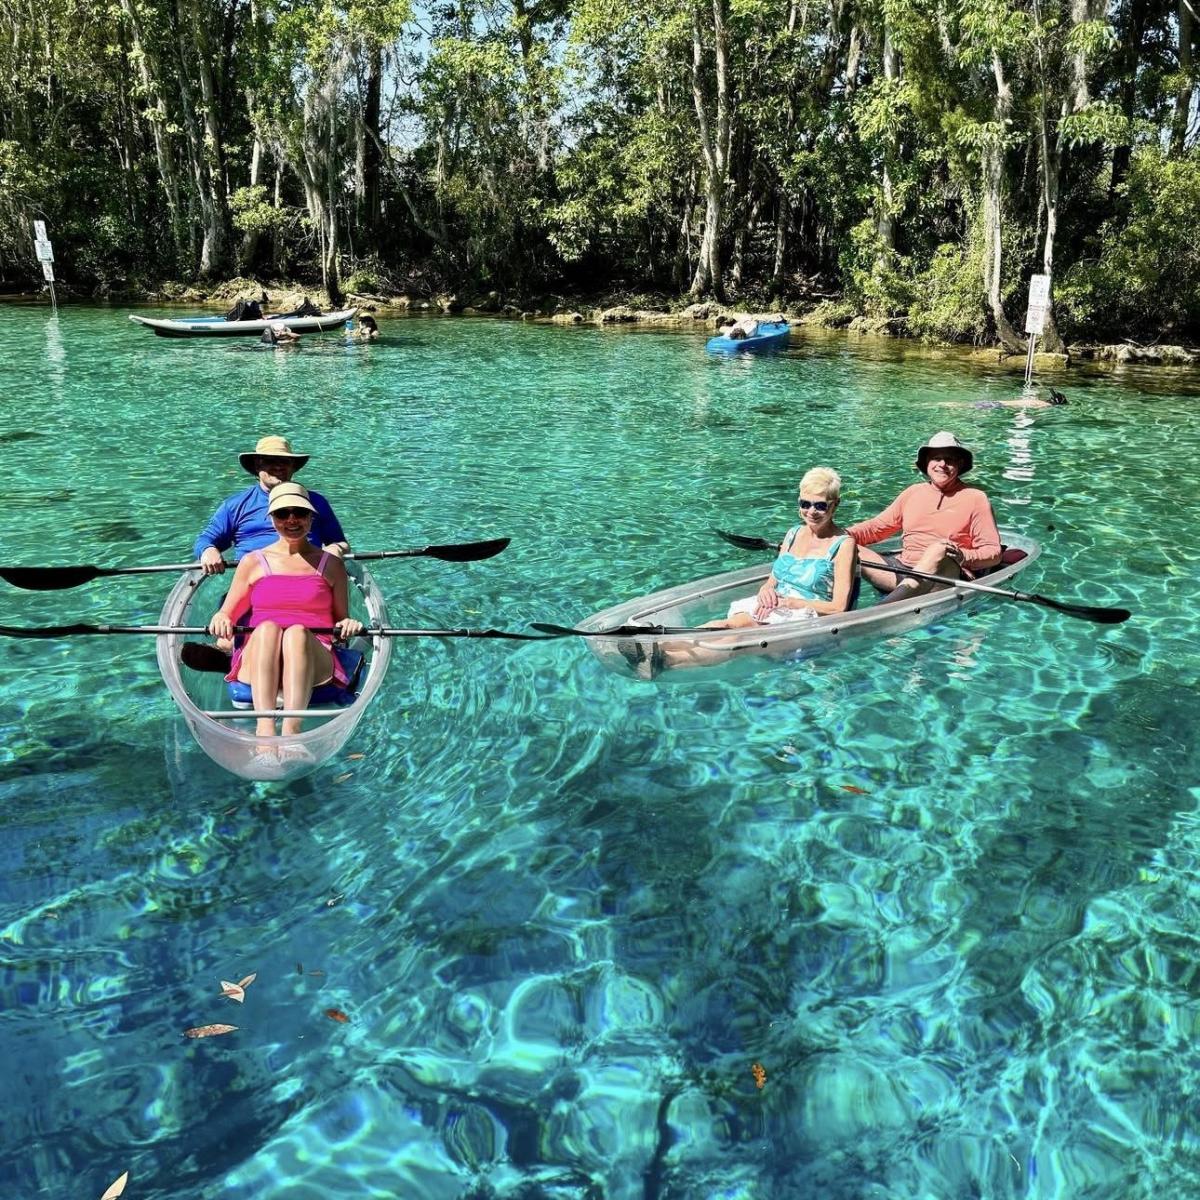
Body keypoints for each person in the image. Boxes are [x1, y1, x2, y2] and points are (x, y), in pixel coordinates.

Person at [621, 467, 858, 678]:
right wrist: (766, 590)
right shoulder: (793, 533)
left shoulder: (843, 544)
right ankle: (656, 646)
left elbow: (839, 607)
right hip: (776, 608)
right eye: (805, 504)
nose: (811, 512)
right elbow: (775, 579)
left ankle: (662, 662)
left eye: (820, 506)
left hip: (805, 621)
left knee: (737, 640)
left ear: (835, 504)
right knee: (722, 625)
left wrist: (791, 603)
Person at [207, 482, 364, 742]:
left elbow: (340, 621)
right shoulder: (252, 562)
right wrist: (221, 618)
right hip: (260, 651)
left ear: (311, 518)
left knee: (297, 633)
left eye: (299, 513)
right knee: (268, 628)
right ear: (272, 519)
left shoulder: (332, 565)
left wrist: (348, 624)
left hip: (315, 658)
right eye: (283, 514)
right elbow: (227, 614)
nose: (291, 520)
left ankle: (293, 732)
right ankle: (265, 732)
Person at [849, 431, 1001, 603]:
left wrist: (962, 556)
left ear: (959, 464)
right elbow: (876, 528)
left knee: (939, 548)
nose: (942, 464)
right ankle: (838, 609)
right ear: (927, 462)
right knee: (845, 546)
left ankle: (881, 610)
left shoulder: (975, 498)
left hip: (944, 580)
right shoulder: (913, 492)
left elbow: (993, 553)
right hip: (901, 574)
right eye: (936, 458)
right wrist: (837, 535)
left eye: (949, 459)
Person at [194, 435, 348, 576]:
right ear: (256, 465)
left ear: (293, 466)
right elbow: (205, 539)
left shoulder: (316, 501)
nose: (278, 466)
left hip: (308, 576)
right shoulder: (235, 505)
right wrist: (208, 551)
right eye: (270, 461)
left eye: (284, 461)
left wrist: (337, 548)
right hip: (252, 581)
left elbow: (338, 542)